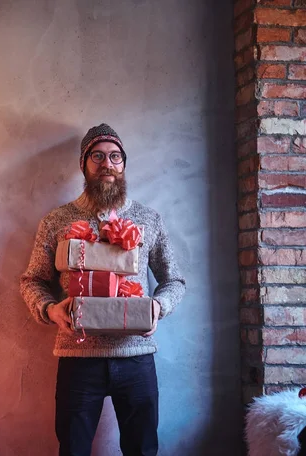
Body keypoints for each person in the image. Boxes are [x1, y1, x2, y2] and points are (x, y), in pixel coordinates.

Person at [20, 124, 186, 456]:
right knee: (74, 449)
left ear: (123, 164)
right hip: (78, 358)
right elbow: (32, 281)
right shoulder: (57, 221)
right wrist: (51, 310)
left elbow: (174, 281)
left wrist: (159, 307)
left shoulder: (147, 219)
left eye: (115, 156)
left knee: (142, 450)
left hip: (136, 357)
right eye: (97, 156)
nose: (106, 164)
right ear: (84, 164)